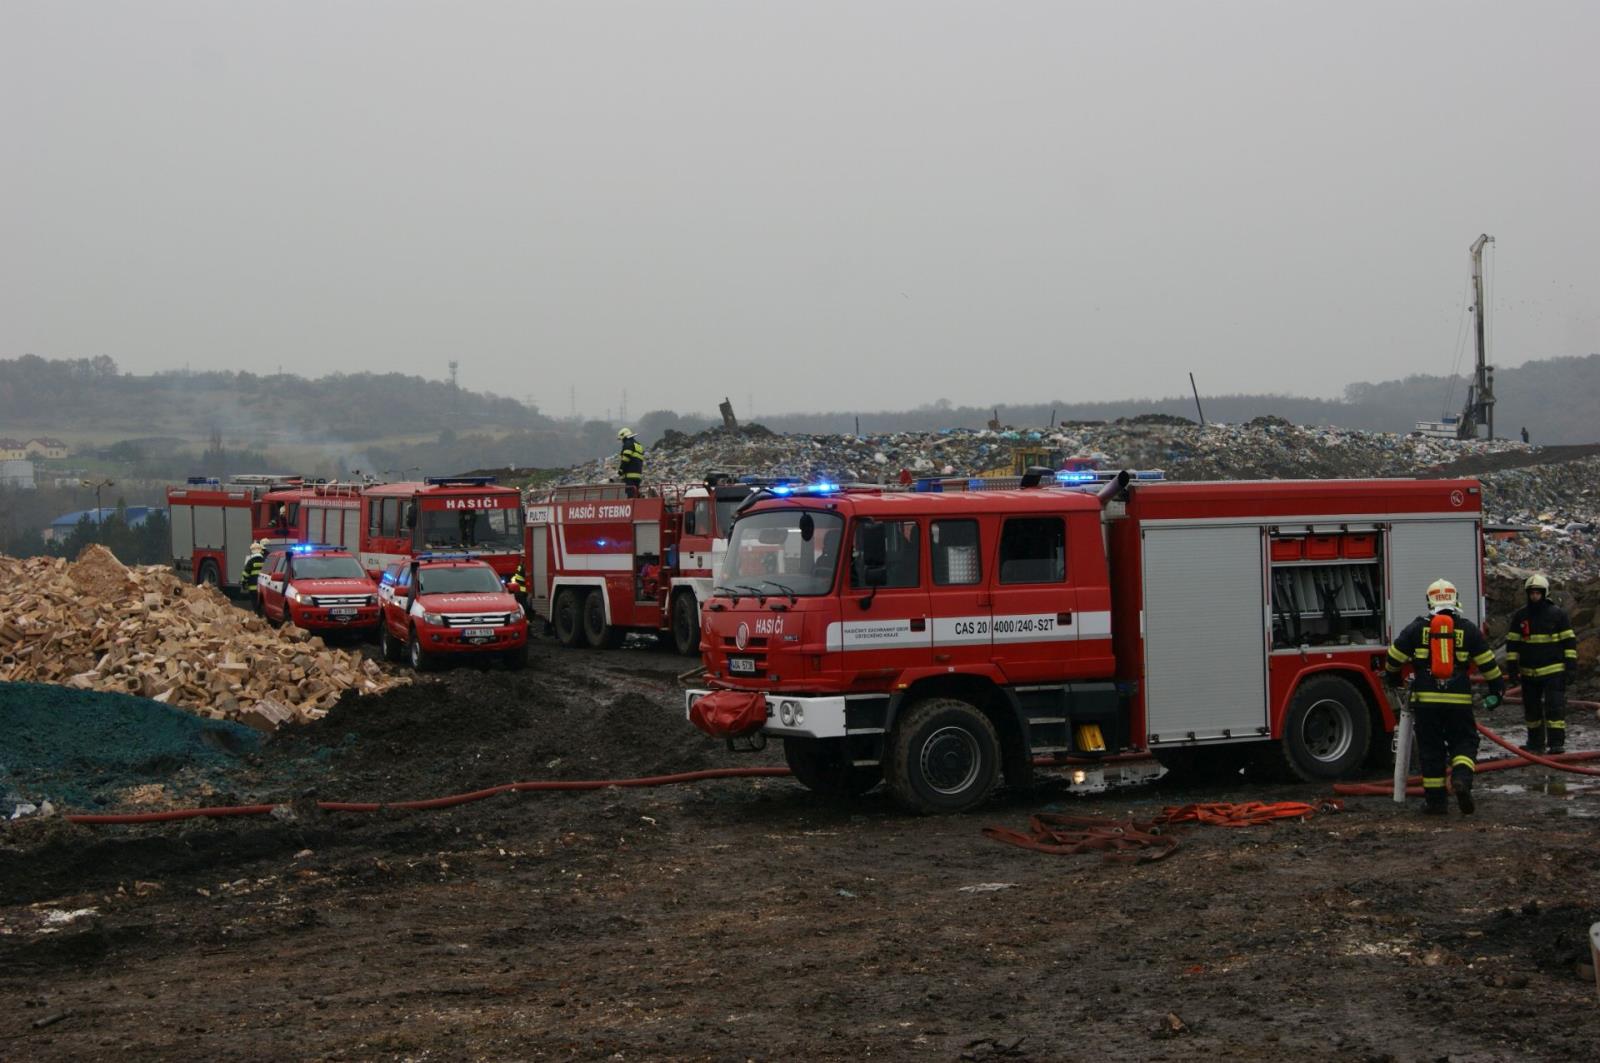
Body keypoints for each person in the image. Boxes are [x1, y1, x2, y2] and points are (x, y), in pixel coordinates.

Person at [1384, 578, 1505, 815]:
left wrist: (1393, 680)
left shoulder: (1417, 628)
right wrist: (1496, 690)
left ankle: (1436, 803)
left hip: (1426, 701)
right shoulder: (1468, 629)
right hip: (1458, 699)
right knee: (1465, 742)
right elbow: (1489, 665)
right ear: (1455, 599)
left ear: (1430, 601)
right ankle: (1460, 778)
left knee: (1431, 750)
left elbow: (1393, 659)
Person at [1503, 573, 1578, 754]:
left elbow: (1569, 642)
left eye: (1538, 593)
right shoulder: (1521, 616)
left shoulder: (1558, 615)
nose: (1534, 596)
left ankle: (1556, 744)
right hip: (1529, 673)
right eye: (1532, 593)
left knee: (1555, 708)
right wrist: (1512, 668)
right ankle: (1535, 743)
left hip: (1554, 671)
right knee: (1532, 709)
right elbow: (1512, 644)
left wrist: (1570, 668)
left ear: (1545, 593)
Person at [618, 428, 645, 497]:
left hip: (629, 475)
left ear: (624, 437)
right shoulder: (638, 445)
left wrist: (621, 469)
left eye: (622, 439)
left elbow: (626, 458)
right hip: (638, 474)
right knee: (636, 492)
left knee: (630, 494)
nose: (622, 441)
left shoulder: (628, 444)